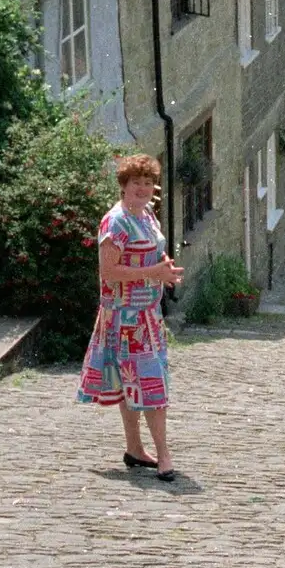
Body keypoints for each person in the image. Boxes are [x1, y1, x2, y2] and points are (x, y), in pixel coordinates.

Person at [77, 154, 184, 480]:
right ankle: (164, 456)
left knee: (133, 384)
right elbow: (109, 271)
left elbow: (153, 249)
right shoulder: (116, 222)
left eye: (147, 183)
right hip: (126, 319)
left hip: (148, 314)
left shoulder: (147, 214)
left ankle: (135, 449)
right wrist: (153, 271)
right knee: (152, 387)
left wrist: (164, 268)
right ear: (123, 186)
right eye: (135, 183)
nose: (142, 188)